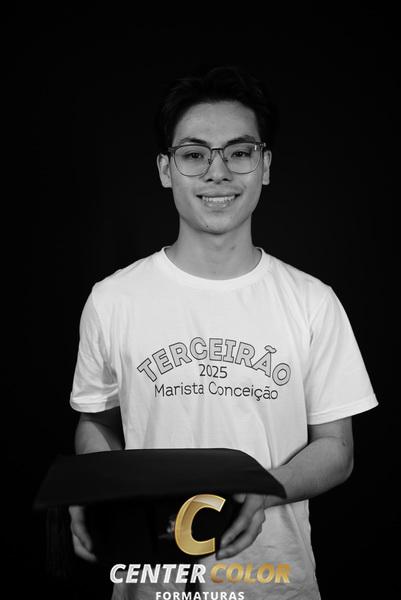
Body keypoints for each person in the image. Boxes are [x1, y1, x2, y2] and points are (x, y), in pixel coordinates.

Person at [68, 66, 378, 599]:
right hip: (153, 582)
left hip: (274, 583)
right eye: (194, 155)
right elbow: (96, 421)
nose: (218, 172)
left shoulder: (312, 302)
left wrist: (267, 490)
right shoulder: (113, 299)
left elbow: (336, 449)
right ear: (166, 169)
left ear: (265, 165)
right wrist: (94, 486)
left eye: (239, 152)